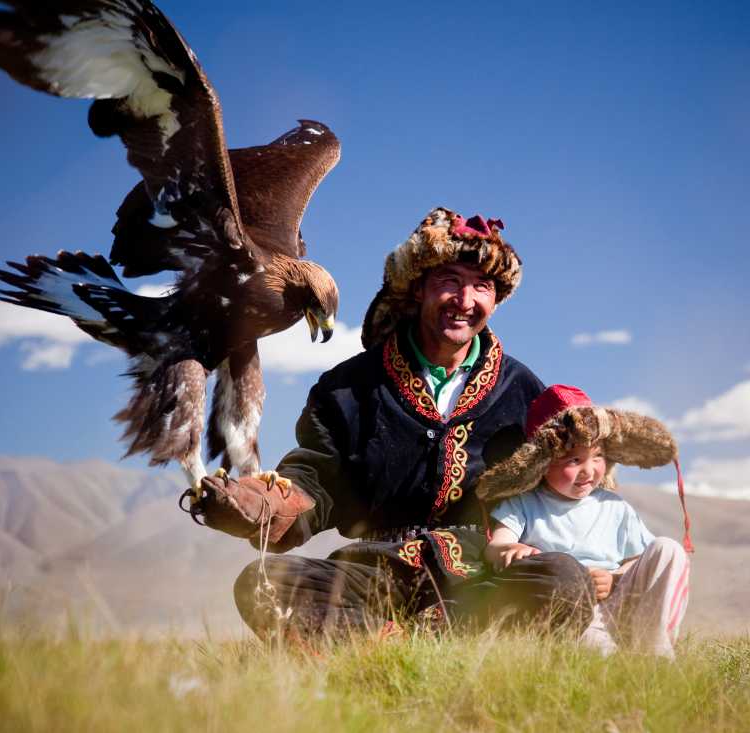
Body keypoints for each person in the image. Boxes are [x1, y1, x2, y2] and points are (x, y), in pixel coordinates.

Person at [213, 207, 596, 638]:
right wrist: (270, 506)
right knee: (262, 583)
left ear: (496, 299)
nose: (465, 301)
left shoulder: (522, 390)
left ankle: (391, 644)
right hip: (374, 572)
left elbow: (564, 480)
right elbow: (317, 477)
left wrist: (598, 561)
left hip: (482, 575)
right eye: (449, 281)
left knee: (565, 580)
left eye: (482, 287)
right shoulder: (348, 386)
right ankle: (421, 647)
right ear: (418, 289)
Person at [477, 384, 693, 657]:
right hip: (577, 615)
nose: (589, 471)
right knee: (601, 658)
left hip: (619, 602)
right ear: (542, 463)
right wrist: (512, 549)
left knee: (668, 549)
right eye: (574, 459)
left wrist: (614, 578)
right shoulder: (524, 504)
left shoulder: (614, 506)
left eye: (598, 456)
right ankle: (613, 655)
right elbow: (494, 547)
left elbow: (636, 560)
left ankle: (656, 649)